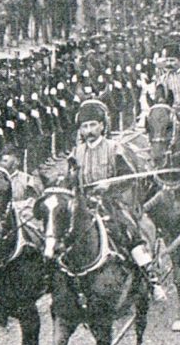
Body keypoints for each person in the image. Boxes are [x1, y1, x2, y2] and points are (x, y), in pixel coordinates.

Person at [68, 99, 163, 297]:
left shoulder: (114, 148)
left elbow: (127, 179)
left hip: (111, 203)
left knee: (129, 233)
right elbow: (69, 181)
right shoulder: (75, 153)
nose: (89, 130)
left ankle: (150, 279)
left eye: (93, 125)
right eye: (85, 126)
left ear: (102, 126)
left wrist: (109, 184)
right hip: (83, 205)